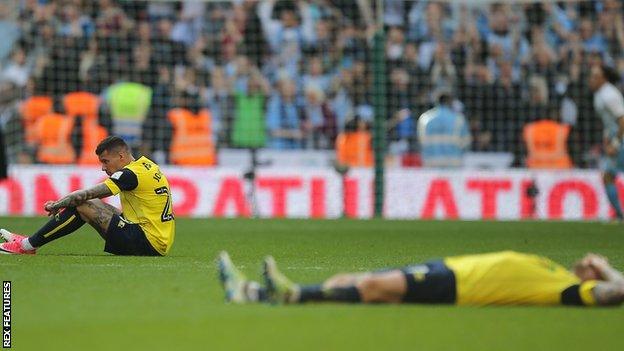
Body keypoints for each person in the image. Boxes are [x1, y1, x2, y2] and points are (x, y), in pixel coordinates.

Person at [217, 250, 624, 307]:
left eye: (595, 263)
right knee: (352, 278)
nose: (587, 260)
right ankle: (252, 292)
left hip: (458, 286)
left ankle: (290, 294)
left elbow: (615, 293)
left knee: (373, 287)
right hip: (448, 267)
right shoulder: (554, 268)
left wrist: (607, 270)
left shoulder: (573, 289)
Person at [0, 136, 175, 256]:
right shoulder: (147, 165)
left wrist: (58, 204)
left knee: (82, 203)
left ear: (121, 156)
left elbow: (87, 194)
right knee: (89, 203)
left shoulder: (129, 174)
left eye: (106, 161)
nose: (103, 168)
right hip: (155, 238)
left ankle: (27, 246)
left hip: (146, 241)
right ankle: (29, 241)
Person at [589, 64, 624, 221]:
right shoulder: (600, 94)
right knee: (608, 176)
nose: (591, 80)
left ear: (603, 78)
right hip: (615, 138)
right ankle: (619, 215)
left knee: (608, 176)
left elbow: (622, 119)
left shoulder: (609, 95)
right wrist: (606, 138)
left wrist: (616, 143)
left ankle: (619, 215)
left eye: (595, 76)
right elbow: (609, 121)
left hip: (620, 139)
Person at [417, 91, 471, 168]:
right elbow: (466, 142)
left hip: (431, 162)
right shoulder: (459, 119)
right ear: (450, 102)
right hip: (453, 163)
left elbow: (421, 141)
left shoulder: (425, 119)